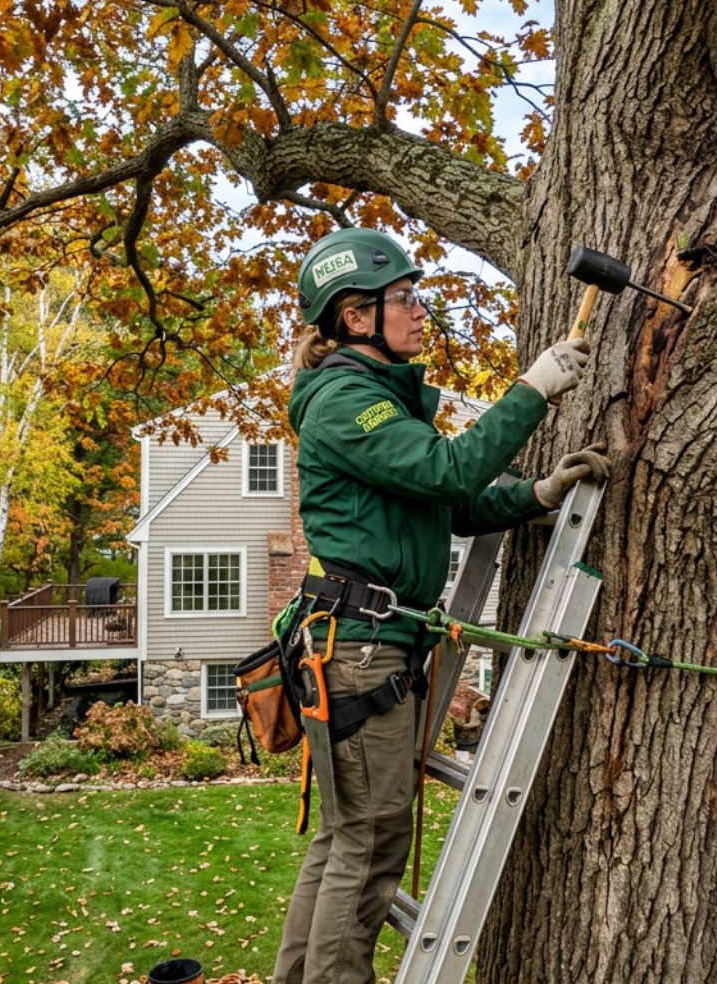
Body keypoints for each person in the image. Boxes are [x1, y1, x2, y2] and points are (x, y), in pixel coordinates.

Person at [273, 227, 609, 984]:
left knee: (345, 838)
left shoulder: (375, 398)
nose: (421, 311)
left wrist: (537, 495)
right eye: (404, 299)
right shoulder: (344, 400)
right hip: (360, 650)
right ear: (356, 317)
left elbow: (447, 507)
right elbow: (447, 470)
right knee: (369, 844)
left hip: (362, 644)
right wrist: (533, 390)